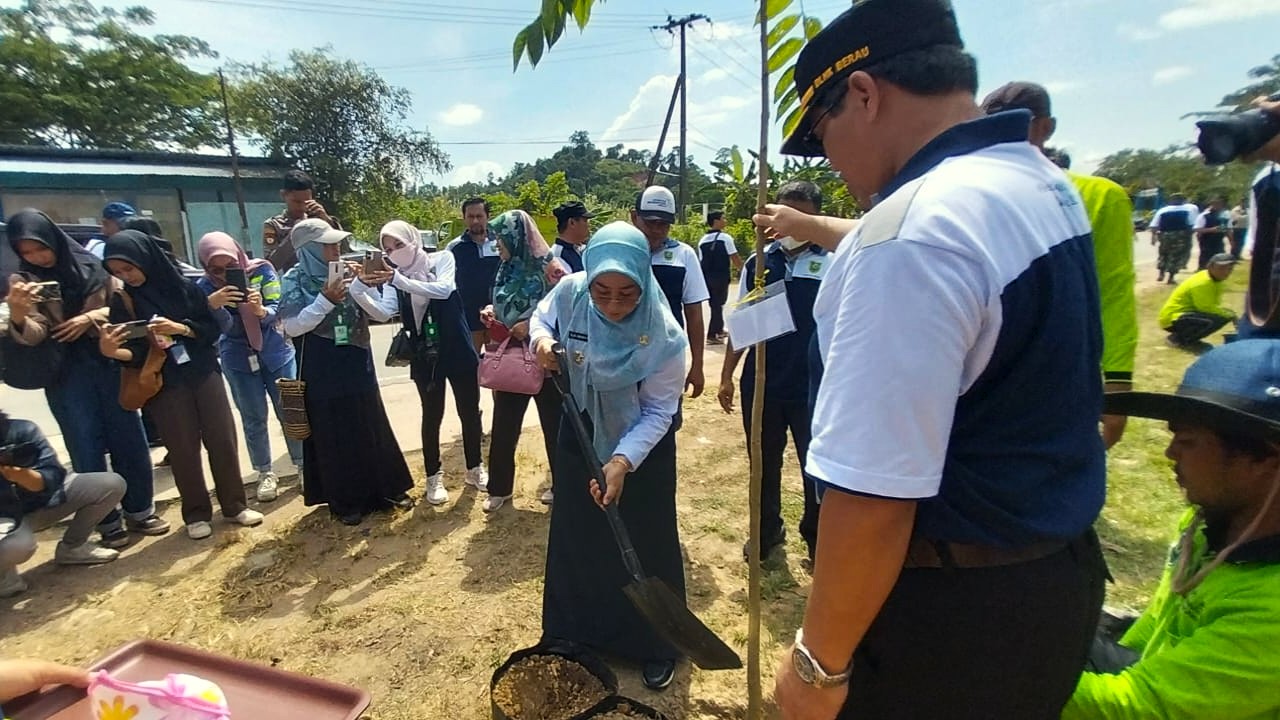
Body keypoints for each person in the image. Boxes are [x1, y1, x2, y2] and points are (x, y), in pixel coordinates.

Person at [765, 2, 1109, 718]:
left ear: (863, 94)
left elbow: (873, 498)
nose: (828, 159)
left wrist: (816, 669)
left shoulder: (910, 238)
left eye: (821, 134)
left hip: (946, 624)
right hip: (1051, 579)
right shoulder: (1041, 188)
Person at [1063, 340, 1280, 719]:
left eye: (1188, 441)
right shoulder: (1209, 525)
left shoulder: (1271, 609)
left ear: (1265, 457)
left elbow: (1140, 708)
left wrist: (996, 679)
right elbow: (1149, 637)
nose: (1170, 454)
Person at [530, 221, 689, 692]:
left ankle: (654, 644)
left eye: (627, 294)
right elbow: (541, 319)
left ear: (644, 279)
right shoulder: (570, 294)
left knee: (645, 544)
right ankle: (572, 635)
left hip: (642, 450)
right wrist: (541, 342)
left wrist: (620, 462)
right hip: (578, 433)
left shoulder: (665, 337)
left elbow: (661, 411)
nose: (614, 305)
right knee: (577, 538)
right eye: (603, 291)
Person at [979, 81, 1139, 450]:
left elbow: (1113, 294)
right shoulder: (975, 196)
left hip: (1064, 369)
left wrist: (1116, 384)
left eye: (1017, 123)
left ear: (1046, 128)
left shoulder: (1099, 197)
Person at [4, 210, 168, 548]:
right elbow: (33, 333)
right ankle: (107, 521)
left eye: (39, 248)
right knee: (84, 444)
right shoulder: (22, 281)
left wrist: (90, 317)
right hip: (63, 373)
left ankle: (140, 510)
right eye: (26, 252)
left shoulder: (93, 266)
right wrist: (19, 314)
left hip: (107, 363)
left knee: (129, 438)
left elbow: (121, 305)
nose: (36, 257)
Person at [98, 230, 263, 540]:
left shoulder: (184, 289)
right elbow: (133, 353)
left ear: (145, 259)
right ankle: (196, 513)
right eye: (118, 272)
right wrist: (112, 351)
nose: (125, 277)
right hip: (165, 383)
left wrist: (181, 329)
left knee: (222, 438)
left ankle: (235, 505)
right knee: (182, 448)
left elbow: (211, 330)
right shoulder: (124, 301)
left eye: (129, 269)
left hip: (203, 372)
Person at [718, 181, 826, 564]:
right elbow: (743, 322)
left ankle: (818, 538)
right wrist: (728, 373)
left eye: (800, 215)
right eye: (781, 213)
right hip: (763, 381)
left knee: (816, 465)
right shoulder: (759, 263)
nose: (789, 224)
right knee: (763, 460)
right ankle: (766, 533)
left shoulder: (832, 259)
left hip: (813, 384)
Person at [279, 219, 414, 525]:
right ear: (308, 249)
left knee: (369, 422)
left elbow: (381, 311)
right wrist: (325, 300)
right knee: (333, 432)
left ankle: (386, 491)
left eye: (335, 243)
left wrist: (365, 286)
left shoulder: (348, 272)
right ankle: (346, 501)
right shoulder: (293, 280)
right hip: (320, 365)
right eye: (327, 245)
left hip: (356, 358)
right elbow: (292, 325)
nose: (335, 249)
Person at [381, 220, 488, 506]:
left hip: (457, 348)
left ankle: (475, 468)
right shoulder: (394, 277)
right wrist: (358, 288)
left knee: (468, 410)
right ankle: (433, 475)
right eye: (389, 249)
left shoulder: (441, 259)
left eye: (399, 245)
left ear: (413, 239)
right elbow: (383, 311)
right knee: (431, 415)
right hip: (424, 354)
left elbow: (444, 289)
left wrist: (397, 280)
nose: (395, 253)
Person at [195, 231, 303, 502]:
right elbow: (217, 328)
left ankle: (303, 465)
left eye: (230, 266)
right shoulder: (204, 288)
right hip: (237, 357)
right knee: (253, 417)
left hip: (276, 352)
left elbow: (279, 309)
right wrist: (214, 307)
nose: (224, 273)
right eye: (215, 268)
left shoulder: (262, 271)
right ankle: (265, 472)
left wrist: (260, 311)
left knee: (291, 410)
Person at [479, 210, 566, 512]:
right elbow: (505, 300)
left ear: (517, 237)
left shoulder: (551, 269)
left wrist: (531, 324)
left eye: (500, 238)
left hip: (544, 359)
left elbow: (566, 307)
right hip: (512, 356)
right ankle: (499, 489)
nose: (496, 245)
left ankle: (562, 485)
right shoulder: (506, 268)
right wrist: (493, 311)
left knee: (554, 424)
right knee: (504, 425)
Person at [0, 411, 126, 599]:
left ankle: (72, 547)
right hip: (6, 520)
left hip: (43, 502)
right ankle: (3, 574)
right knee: (20, 545)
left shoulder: (21, 430)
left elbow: (53, 476)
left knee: (110, 485)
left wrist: (17, 474)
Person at [631, 185, 709, 398]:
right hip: (623, 358)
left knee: (664, 421)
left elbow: (694, 315)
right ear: (634, 217)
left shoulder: (684, 255)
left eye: (664, 224)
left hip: (666, 359)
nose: (656, 230)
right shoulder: (619, 252)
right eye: (650, 223)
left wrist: (697, 365)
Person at [447, 198, 502, 354]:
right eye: (471, 217)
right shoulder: (454, 248)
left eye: (480, 216)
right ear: (464, 218)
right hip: (468, 318)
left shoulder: (500, 243)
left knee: (500, 366)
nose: (475, 220)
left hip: (499, 317)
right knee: (471, 366)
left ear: (488, 216)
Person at [262, 169, 341, 274]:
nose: (302, 207)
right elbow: (271, 265)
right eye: (297, 202)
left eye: (307, 201)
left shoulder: (319, 220)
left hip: (327, 279)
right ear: (283, 195)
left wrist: (326, 220)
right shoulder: (274, 225)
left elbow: (343, 250)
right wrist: (295, 233)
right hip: (294, 283)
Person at [1158, 253, 1239, 348]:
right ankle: (1177, 339)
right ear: (1211, 267)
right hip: (1173, 318)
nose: (1226, 272)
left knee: (1222, 316)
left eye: (1229, 269)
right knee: (1216, 318)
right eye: (1221, 268)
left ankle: (1191, 339)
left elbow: (1213, 305)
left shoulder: (1216, 280)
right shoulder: (1203, 282)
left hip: (1186, 315)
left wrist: (1228, 314)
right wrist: (1230, 315)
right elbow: (1204, 307)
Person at [697, 211, 743, 346]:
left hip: (706, 278)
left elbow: (701, 260)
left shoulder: (702, 240)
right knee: (718, 305)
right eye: (723, 218)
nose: (725, 220)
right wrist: (745, 271)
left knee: (715, 305)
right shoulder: (725, 238)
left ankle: (719, 329)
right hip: (721, 277)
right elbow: (734, 257)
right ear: (716, 221)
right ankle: (712, 335)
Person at [1151, 194, 1200, 285]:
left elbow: (1154, 225)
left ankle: (1161, 273)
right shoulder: (1188, 209)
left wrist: (1153, 237)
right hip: (1181, 236)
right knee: (1176, 256)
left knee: (1163, 254)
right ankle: (1171, 277)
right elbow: (1193, 224)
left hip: (1165, 235)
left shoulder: (1162, 210)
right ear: (1183, 200)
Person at [550, 200, 593, 274]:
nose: (589, 225)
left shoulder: (578, 249)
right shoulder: (558, 257)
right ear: (572, 222)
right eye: (585, 221)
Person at [1193, 196, 1232, 270]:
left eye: (1220, 204)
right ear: (1211, 204)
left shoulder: (1225, 216)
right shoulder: (1204, 216)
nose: (1218, 206)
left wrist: (1231, 240)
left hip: (1219, 241)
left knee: (1220, 259)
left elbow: (1229, 229)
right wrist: (1211, 230)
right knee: (1205, 259)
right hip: (1207, 241)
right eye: (1216, 204)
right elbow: (1197, 229)